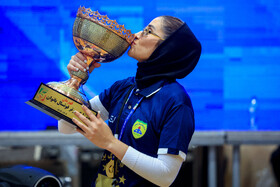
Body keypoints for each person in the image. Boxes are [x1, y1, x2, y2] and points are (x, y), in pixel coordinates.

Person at [58, 15, 201, 186]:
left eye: (148, 31)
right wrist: (76, 81)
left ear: (167, 48)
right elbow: (66, 127)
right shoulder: (124, 87)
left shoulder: (176, 101)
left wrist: (110, 143)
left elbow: (166, 175)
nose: (136, 34)